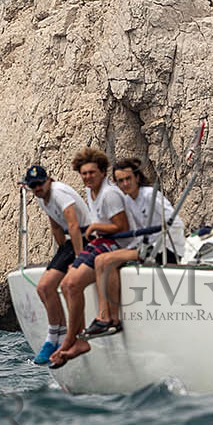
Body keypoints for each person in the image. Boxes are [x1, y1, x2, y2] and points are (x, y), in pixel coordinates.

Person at [50, 147, 133, 367]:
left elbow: (122, 227)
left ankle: (73, 338)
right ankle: (77, 339)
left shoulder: (110, 194)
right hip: (99, 240)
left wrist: (96, 226)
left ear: (103, 172)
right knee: (66, 285)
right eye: (84, 173)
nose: (87, 177)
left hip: (115, 243)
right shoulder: (91, 191)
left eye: (92, 173)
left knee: (73, 284)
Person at [86, 158, 187, 338]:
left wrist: (159, 240)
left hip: (166, 250)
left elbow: (176, 223)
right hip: (145, 246)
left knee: (108, 261)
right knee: (99, 259)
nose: (125, 184)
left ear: (137, 178)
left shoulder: (150, 195)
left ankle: (113, 320)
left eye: (128, 179)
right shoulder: (128, 200)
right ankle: (104, 316)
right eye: (120, 181)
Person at [23, 163, 92, 365]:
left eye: (40, 184)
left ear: (49, 181)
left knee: (62, 285)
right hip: (70, 241)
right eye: (33, 185)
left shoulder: (59, 193)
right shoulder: (41, 198)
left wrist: (79, 260)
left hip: (85, 235)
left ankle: (63, 337)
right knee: (44, 287)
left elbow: (73, 225)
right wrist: (62, 253)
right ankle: (55, 336)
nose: (37, 188)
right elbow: (56, 226)